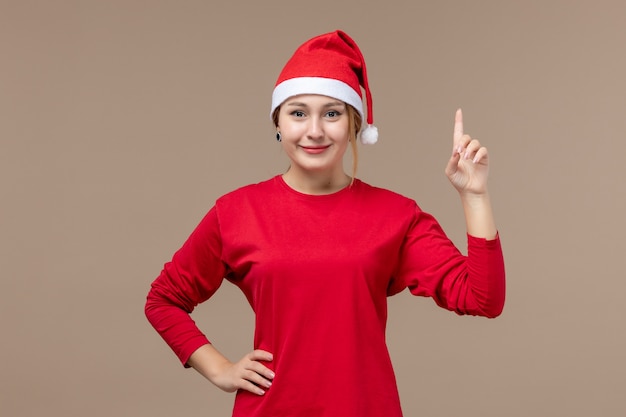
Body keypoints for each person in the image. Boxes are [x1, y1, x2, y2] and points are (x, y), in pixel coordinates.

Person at [145, 30, 505, 417]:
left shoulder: (396, 215)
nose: (314, 130)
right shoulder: (236, 211)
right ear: (278, 123)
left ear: (355, 125)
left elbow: (483, 299)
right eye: (298, 113)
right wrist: (218, 369)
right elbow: (163, 300)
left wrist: (475, 196)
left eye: (331, 113)